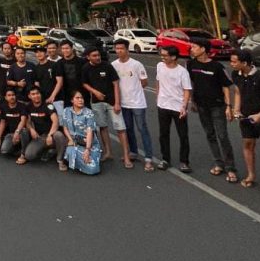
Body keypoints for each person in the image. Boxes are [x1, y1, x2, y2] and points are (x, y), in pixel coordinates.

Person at [187, 38, 236, 182]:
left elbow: (226, 86)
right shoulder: (190, 64)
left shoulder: (217, 66)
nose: (192, 49)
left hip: (218, 106)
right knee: (210, 134)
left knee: (222, 136)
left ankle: (231, 168)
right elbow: (191, 83)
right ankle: (218, 163)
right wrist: (192, 101)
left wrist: (229, 106)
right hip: (201, 106)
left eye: (194, 47)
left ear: (203, 49)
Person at [81, 47, 132, 167]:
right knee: (103, 127)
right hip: (96, 102)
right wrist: (95, 92)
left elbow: (116, 84)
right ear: (88, 57)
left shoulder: (107, 66)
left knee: (120, 128)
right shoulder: (85, 68)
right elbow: (84, 83)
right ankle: (108, 152)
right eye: (94, 56)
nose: (97, 58)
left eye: (98, 55)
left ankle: (126, 156)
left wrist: (117, 103)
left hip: (112, 102)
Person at [112, 39, 155, 172]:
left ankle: (148, 158)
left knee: (142, 129)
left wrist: (134, 91)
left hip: (137, 103)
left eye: (122, 48)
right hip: (123, 103)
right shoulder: (113, 65)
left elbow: (144, 82)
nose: (119, 51)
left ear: (127, 49)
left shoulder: (137, 65)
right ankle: (133, 152)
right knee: (128, 128)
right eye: (117, 48)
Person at [155, 46, 192, 172]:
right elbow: (158, 82)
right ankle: (165, 159)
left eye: (165, 55)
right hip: (163, 106)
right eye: (162, 55)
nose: (163, 57)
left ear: (173, 57)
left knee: (183, 135)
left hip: (177, 107)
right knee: (163, 134)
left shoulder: (182, 72)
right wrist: (158, 97)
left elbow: (187, 90)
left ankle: (184, 161)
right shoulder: (160, 66)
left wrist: (184, 107)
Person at [230, 50, 260, 189]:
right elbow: (238, 92)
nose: (231, 64)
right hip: (246, 117)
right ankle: (251, 175)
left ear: (244, 63)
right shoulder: (235, 74)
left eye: (234, 61)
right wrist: (236, 110)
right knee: (248, 144)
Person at [20, 87, 66, 167]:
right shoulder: (28, 106)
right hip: (40, 136)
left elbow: (55, 121)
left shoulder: (48, 105)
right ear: (29, 96)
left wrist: (50, 135)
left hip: (51, 134)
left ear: (40, 94)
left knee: (59, 134)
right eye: (33, 94)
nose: (36, 96)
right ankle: (49, 151)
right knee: (29, 155)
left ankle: (60, 160)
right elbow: (27, 121)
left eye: (37, 93)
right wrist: (31, 129)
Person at [62, 91, 101, 175]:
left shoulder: (88, 113)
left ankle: (74, 158)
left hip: (89, 144)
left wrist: (87, 149)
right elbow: (65, 128)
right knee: (71, 151)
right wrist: (70, 139)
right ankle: (73, 156)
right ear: (72, 100)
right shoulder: (66, 111)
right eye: (77, 98)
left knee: (93, 169)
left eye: (82, 98)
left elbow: (90, 131)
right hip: (74, 143)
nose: (80, 100)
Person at [0, 89, 30, 157]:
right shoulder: (3, 107)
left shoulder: (22, 106)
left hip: (22, 132)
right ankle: (18, 148)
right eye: (9, 95)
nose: (12, 97)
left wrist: (17, 132)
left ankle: (23, 154)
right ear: (5, 97)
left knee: (23, 131)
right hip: (11, 133)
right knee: (4, 150)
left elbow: (23, 121)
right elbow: (3, 122)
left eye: (13, 95)